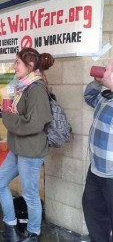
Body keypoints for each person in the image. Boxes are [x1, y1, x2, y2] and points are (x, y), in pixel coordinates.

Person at [0, 47, 54, 242]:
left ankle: (33, 233)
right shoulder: (22, 86)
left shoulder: (36, 89)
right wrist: (12, 112)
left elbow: (35, 123)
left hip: (31, 151)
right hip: (18, 148)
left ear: (31, 65)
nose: (14, 66)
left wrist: (9, 117)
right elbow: (14, 111)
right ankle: (10, 224)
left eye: (17, 62)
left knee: (29, 195)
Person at [83, 59, 113, 242]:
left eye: (110, 68)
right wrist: (96, 81)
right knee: (93, 211)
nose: (106, 70)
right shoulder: (106, 96)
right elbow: (89, 97)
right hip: (96, 169)